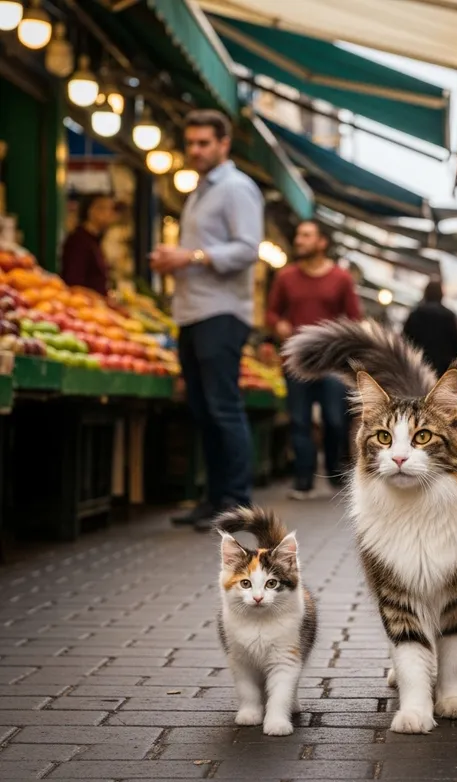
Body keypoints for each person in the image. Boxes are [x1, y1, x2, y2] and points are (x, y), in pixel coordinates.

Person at [150, 109, 264, 532]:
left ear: (223, 144)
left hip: (222, 312)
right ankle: (214, 499)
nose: (195, 150)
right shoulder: (199, 191)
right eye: (191, 142)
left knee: (223, 408)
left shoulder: (236, 189)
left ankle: (237, 504)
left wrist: (190, 256)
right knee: (201, 410)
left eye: (203, 143)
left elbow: (248, 249)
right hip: (192, 312)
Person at [267, 220, 361, 500]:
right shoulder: (285, 278)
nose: (299, 240)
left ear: (322, 242)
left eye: (306, 236)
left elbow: (354, 319)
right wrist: (278, 325)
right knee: (299, 421)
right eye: (298, 235)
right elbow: (271, 313)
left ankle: (333, 474)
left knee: (335, 421)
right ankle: (303, 481)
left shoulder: (341, 279)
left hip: (331, 364)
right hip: (296, 362)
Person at [403, 278, 457, 377]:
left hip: (419, 367)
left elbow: (405, 341)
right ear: (441, 294)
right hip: (443, 369)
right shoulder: (449, 316)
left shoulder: (415, 314)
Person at [61, 194, 118, 295]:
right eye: (104, 208)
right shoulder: (79, 241)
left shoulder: (95, 240)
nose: (110, 214)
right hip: (82, 306)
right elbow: (74, 283)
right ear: (91, 211)